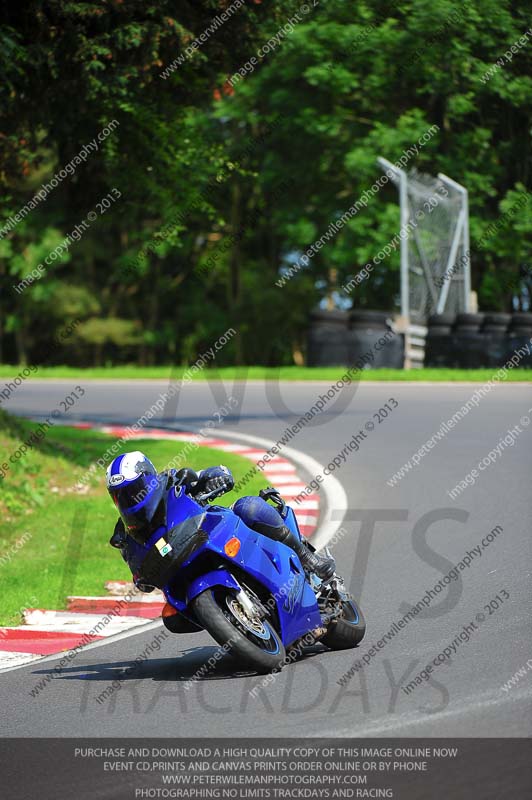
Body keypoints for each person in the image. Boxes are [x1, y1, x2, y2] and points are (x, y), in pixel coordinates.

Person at [106, 450, 336, 591]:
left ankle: (307, 559)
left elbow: (216, 472)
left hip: (211, 530)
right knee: (173, 620)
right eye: (120, 495)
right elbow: (137, 571)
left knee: (249, 507)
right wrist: (142, 577)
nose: (128, 498)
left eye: (133, 489)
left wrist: (215, 479)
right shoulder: (127, 533)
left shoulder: (171, 481)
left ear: (149, 478)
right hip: (182, 562)